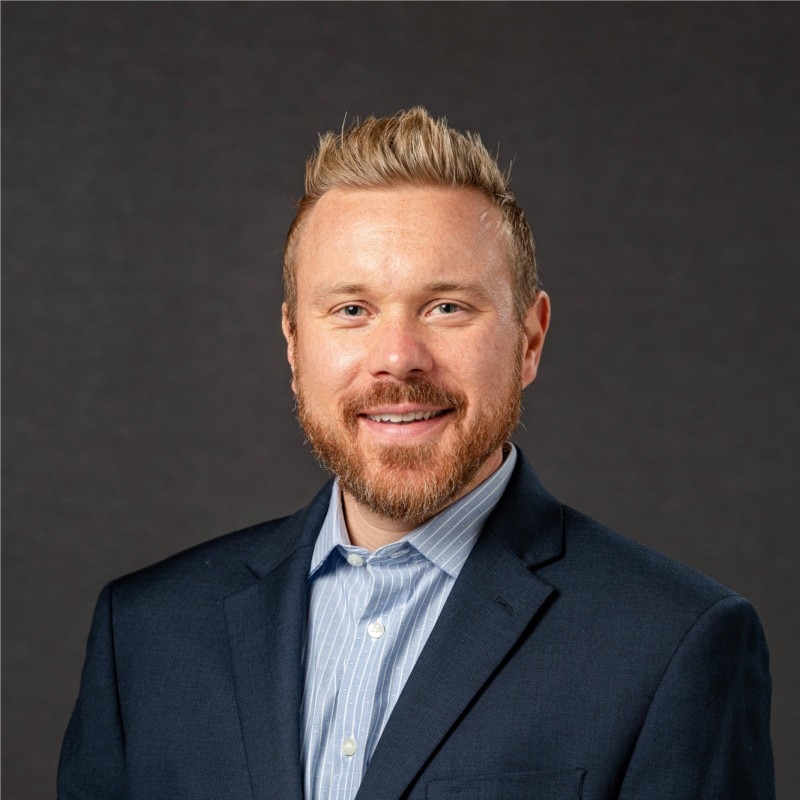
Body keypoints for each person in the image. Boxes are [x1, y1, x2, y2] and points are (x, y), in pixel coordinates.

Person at [58, 108, 774, 800]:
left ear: (530, 339)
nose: (397, 359)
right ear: (292, 343)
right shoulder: (147, 634)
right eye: (351, 310)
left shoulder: (673, 643)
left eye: (447, 307)